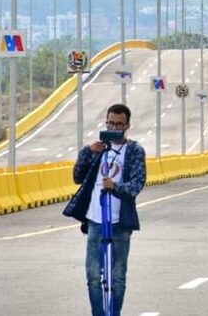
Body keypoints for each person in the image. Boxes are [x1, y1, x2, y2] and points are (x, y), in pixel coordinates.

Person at [63, 104, 147, 316]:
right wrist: (87, 152)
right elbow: (77, 177)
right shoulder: (97, 150)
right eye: (111, 123)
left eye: (119, 124)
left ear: (127, 125)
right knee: (93, 276)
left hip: (120, 221)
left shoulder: (134, 151)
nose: (114, 127)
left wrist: (116, 187)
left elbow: (137, 183)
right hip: (95, 219)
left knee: (117, 276)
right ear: (106, 122)